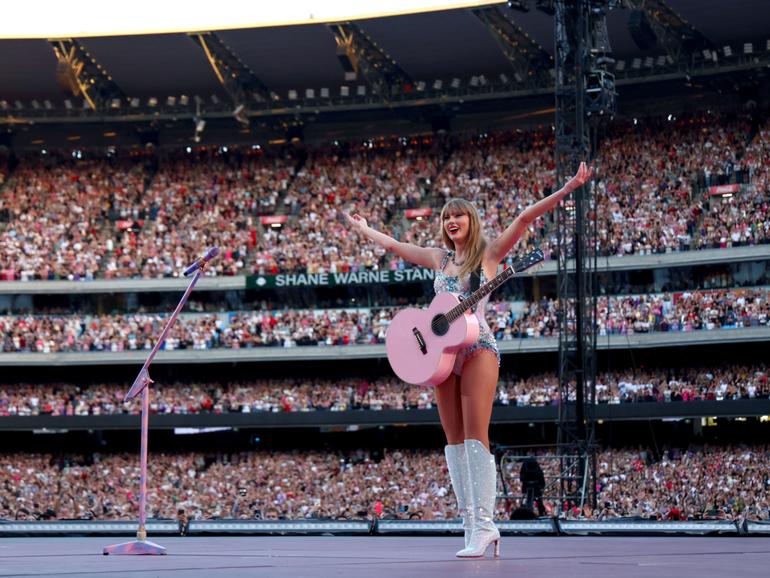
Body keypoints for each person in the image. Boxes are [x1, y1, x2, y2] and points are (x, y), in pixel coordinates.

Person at [345, 161, 593, 558]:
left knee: (477, 439)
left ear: (471, 219)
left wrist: (567, 189)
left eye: (458, 214)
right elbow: (394, 246)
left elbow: (525, 218)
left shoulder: (489, 255)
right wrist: (363, 229)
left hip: (477, 349)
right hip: (441, 356)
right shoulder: (438, 259)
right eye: (446, 216)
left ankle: (487, 525)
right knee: (454, 444)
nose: (451, 220)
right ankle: (469, 525)